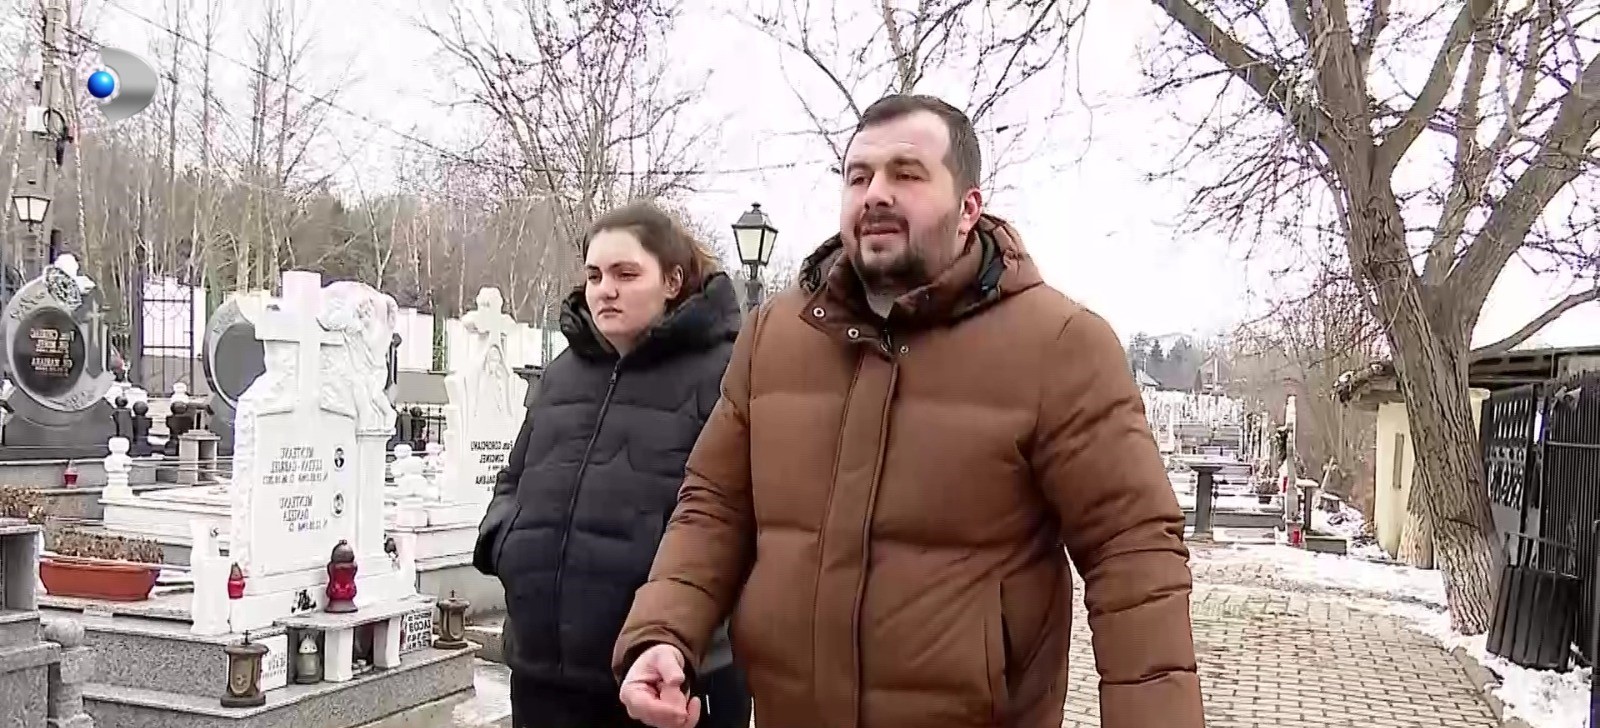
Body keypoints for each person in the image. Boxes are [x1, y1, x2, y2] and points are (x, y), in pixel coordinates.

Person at [613, 94, 1205, 728]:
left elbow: (1132, 553)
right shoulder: (774, 336)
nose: (875, 194)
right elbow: (714, 505)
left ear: (969, 209)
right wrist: (665, 632)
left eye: (907, 174)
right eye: (858, 176)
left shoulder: (1060, 344)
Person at [474, 201, 752, 728]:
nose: (605, 289)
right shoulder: (563, 372)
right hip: (541, 669)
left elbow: (740, 514)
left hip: (664, 675)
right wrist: (504, 543)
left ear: (672, 280)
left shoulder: (728, 372)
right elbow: (514, 477)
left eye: (626, 274)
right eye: (595, 275)